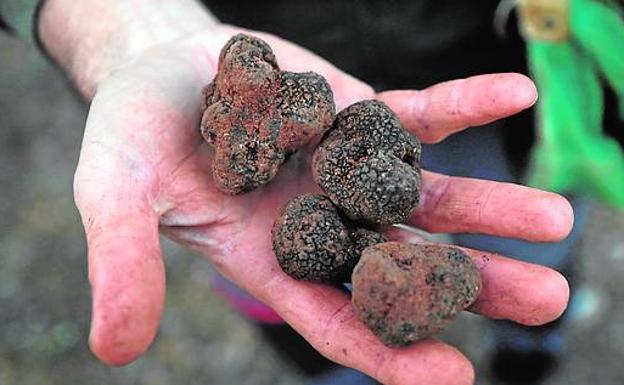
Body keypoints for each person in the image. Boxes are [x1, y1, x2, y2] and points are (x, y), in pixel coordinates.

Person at [1, 1, 577, 384]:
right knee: (281, 303)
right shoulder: (262, 127)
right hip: (243, 75)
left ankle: (530, 350)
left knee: (524, 247)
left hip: (495, 58)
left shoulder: (309, 124)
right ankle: (339, 374)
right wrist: (123, 30)